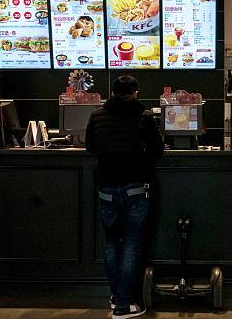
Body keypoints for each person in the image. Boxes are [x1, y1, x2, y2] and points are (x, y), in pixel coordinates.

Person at [86, 75, 164, 319]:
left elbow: (90, 147)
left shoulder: (97, 115)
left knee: (111, 243)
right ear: (135, 92)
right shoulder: (145, 116)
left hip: (107, 189)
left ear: (112, 91)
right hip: (135, 188)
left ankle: (117, 297)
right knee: (131, 244)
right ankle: (125, 303)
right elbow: (157, 151)